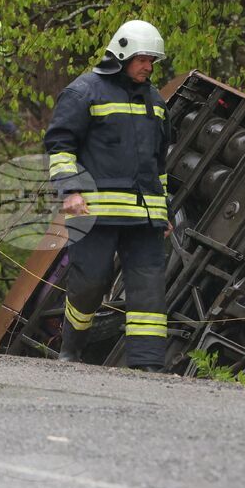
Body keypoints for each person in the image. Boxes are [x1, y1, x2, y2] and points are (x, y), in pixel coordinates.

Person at [44, 20, 172, 371]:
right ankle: (71, 348)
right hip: (95, 213)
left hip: (144, 217)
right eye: (143, 59)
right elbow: (60, 147)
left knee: (148, 290)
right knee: (90, 283)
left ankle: (147, 366)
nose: (148, 67)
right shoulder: (84, 91)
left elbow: (159, 165)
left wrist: (164, 212)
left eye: (152, 61)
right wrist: (69, 191)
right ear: (122, 53)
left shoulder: (156, 102)